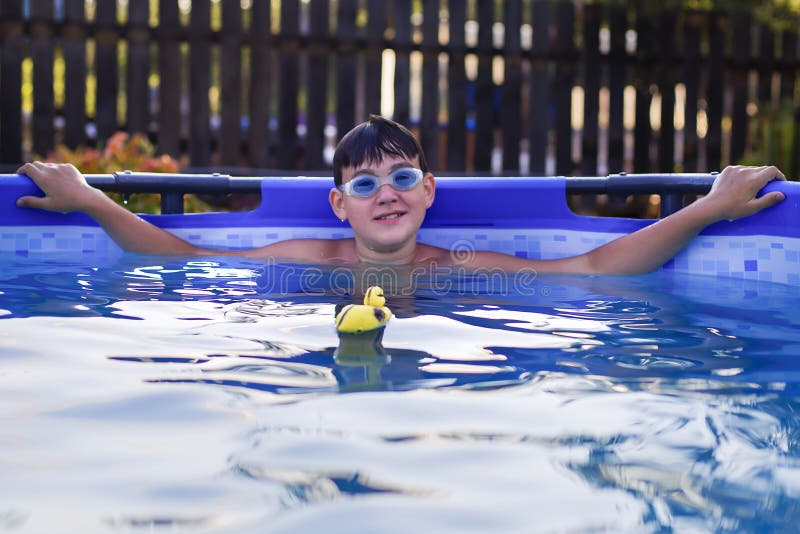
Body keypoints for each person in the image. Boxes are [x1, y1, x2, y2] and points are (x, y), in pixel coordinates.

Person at [16, 115, 786, 275]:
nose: (386, 192)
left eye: (402, 177)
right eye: (364, 182)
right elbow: (180, 254)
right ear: (339, 204)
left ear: (428, 192)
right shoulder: (312, 256)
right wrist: (89, 198)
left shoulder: (457, 266)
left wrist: (710, 207)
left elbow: (594, 267)